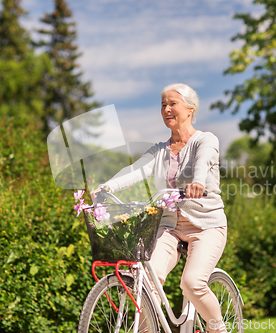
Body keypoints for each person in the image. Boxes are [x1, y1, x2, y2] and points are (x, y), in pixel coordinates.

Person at [90, 83, 228, 333]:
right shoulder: (159, 151)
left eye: (172, 104)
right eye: (163, 105)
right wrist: (107, 187)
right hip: (170, 228)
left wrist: (197, 182)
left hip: (206, 225)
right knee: (146, 283)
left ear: (190, 108)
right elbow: (135, 171)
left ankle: (217, 327)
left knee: (192, 283)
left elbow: (203, 161)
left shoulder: (205, 140)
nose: (166, 109)